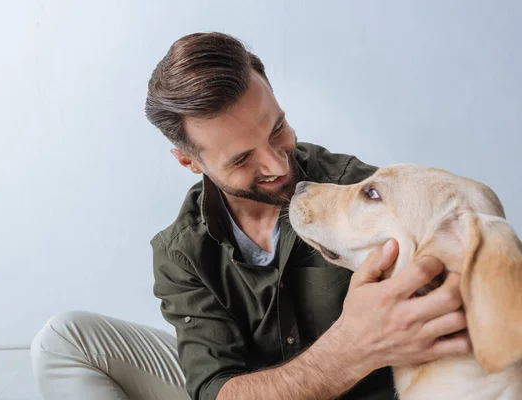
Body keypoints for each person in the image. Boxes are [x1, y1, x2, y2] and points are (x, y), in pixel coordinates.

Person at [30, 32, 471, 400]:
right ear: (191, 163)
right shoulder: (183, 251)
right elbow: (214, 389)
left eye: (277, 128)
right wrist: (350, 348)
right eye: (242, 159)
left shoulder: (363, 194)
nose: (279, 166)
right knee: (64, 338)